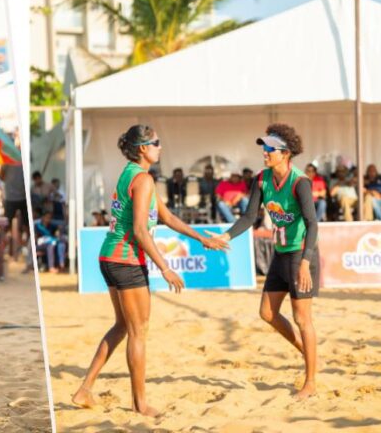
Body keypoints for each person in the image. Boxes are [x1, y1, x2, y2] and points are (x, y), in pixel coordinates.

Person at [72, 124, 228, 416]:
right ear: (143, 147)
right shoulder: (142, 179)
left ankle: (85, 389)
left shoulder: (131, 173)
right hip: (126, 259)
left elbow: (166, 216)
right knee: (139, 331)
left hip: (110, 257)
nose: (160, 147)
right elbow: (141, 231)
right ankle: (139, 403)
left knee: (122, 327)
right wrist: (166, 268)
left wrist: (202, 238)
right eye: (156, 142)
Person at [206, 124, 320, 400]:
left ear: (285, 153)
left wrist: (305, 262)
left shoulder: (299, 182)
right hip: (280, 254)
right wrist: (226, 235)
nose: (264, 152)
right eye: (264, 147)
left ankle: (311, 381)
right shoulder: (261, 179)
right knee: (267, 313)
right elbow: (248, 218)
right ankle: (309, 353)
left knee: (302, 319)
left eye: (270, 149)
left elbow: (312, 223)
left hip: (300, 255)